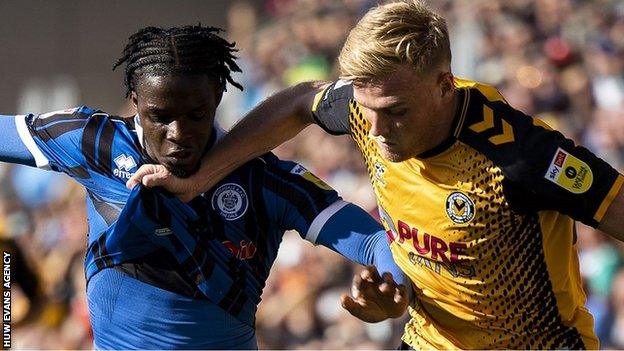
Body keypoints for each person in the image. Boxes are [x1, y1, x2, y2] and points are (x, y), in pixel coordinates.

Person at [129, 1, 624, 349]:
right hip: (426, 343)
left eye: (396, 112)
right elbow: (299, 100)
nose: (378, 131)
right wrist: (200, 179)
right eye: (368, 111)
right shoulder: (369, 107)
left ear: (444, 84)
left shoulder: (522, 155)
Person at [0, 25, 410, 349]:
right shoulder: (94, 143)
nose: (178, 133)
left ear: (217, 95)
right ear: (134, 101)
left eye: (196, 115)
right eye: (159, 116)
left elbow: (375, 242)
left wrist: (392, 288)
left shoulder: (265, 181)